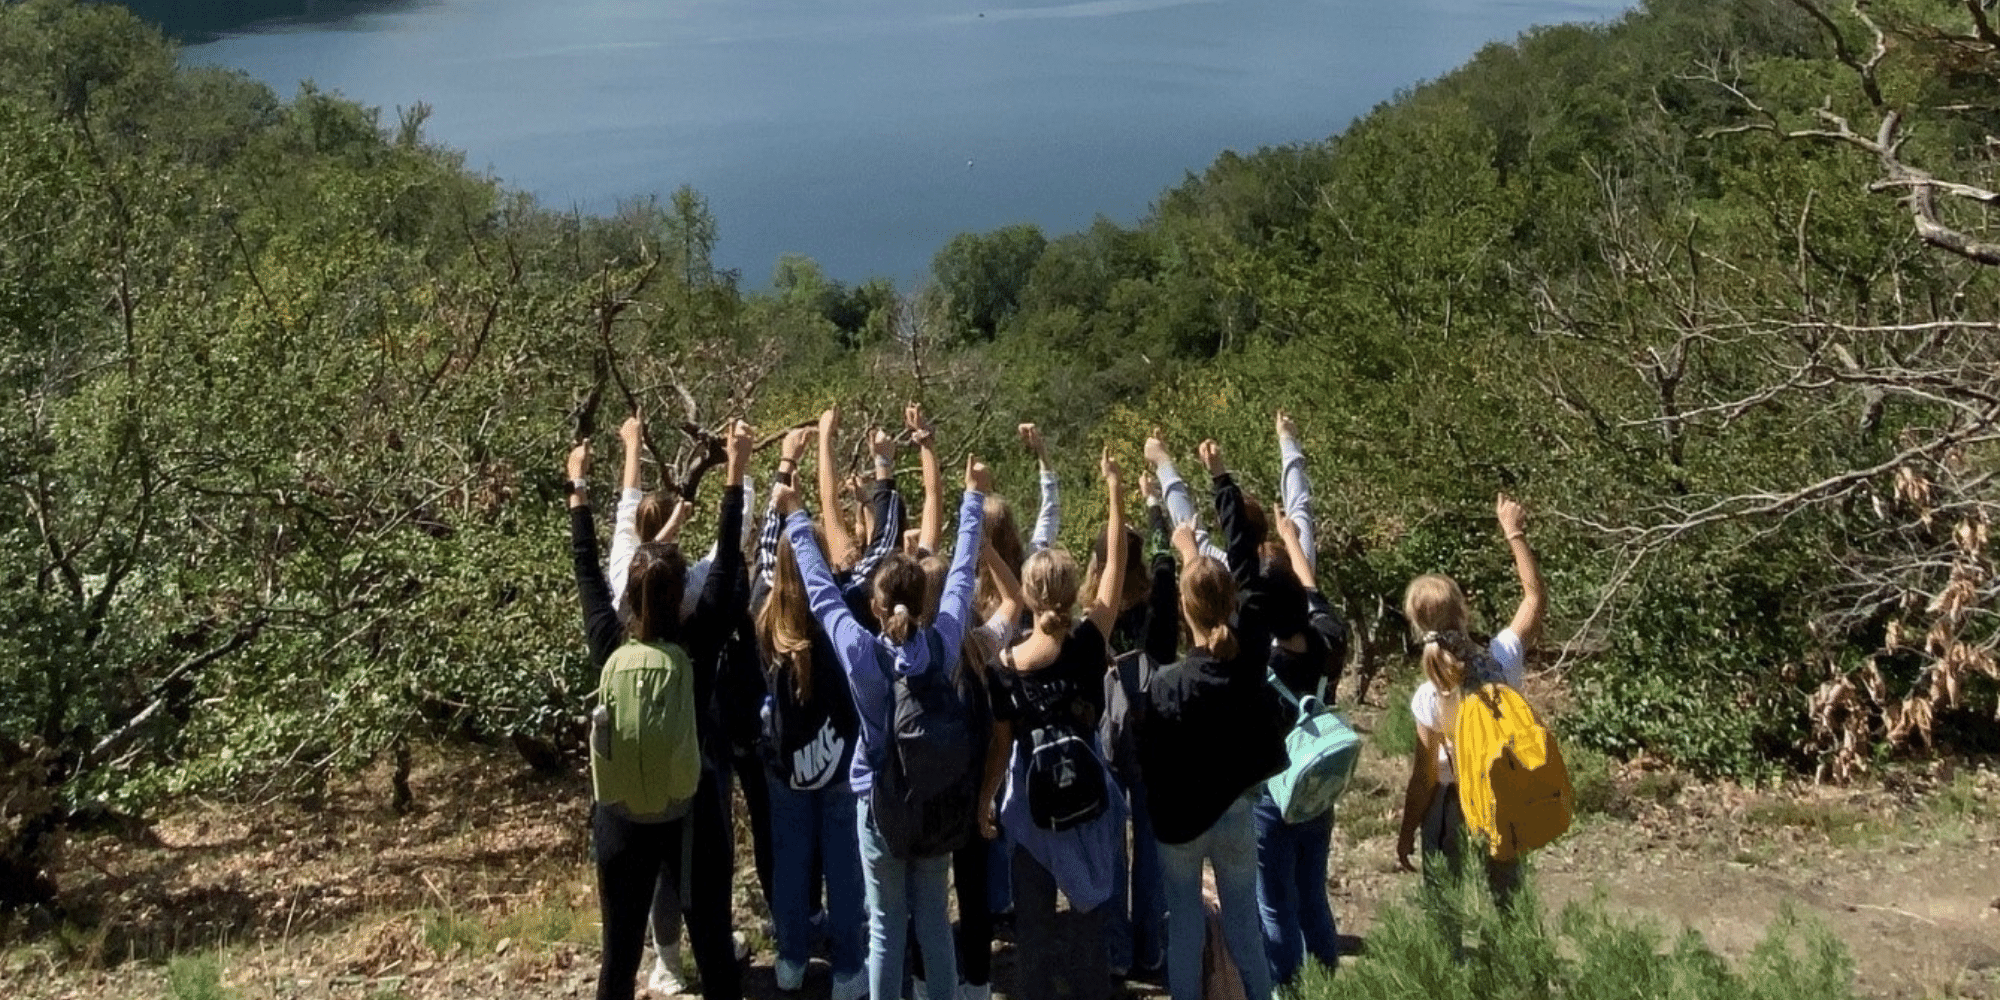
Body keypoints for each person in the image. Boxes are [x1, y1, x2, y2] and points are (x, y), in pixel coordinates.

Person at [772, 453, 988, 1000]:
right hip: (939, 802)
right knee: (936, 923)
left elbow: (820, 593)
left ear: (874, 604)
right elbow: (962, 574)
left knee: (887, 928)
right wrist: (973, 499)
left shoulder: (862, 656)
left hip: (880, 807)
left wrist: (797, 517)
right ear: (922, 602)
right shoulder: (941, 645)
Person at [568, 421, 755, 1000]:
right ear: (683, 591)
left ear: (629, 587)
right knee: (716, 950)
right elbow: (727, 558)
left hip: (620, 813)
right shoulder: (699, 638)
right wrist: (736, 469)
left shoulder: (608, 637)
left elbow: (586, 565)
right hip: (691, 809)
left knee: (617, 959)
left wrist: (578, 490)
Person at [1136, 439, 1288, 1000]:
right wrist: (1220, 476)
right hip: (1236, 811)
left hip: (1181, 824)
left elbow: (1156, 616)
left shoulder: (1167, 682)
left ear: (1183, 607)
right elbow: (1244, 556)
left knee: (1186, 926)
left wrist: (1158, 523)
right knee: (1244, 920)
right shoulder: (1249, 650)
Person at [982, 448, 1130, 1000]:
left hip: (1030, 804)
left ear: (1028, 594)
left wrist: (985, 800)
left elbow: (1000, 746)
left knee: (1035, 925)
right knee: (1090, 908)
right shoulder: (1091, 642)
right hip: (1089, 797)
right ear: (1072, 593)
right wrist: (1113, 490)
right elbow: (1113, 566)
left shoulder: (1008, 665)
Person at [754, 428, 867, 1000]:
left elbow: (760, 554)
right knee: (845, 871)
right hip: (841, 760)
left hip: (784, 766)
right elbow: (875, 547)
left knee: (791, 866)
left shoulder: (762, 613)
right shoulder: (838, 608)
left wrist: (783, 468)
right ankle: (849, 970)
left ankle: (791, 961)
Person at [1394, 493, 1546, 912]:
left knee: (1448, 913)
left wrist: (1408, 830)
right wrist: (1513, 532)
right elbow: (1533, 598)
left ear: (1416, 625)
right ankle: (1511, 973)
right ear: (1465, 611)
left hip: (1453, 804)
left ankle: (1457, 974)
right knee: (1508, 907)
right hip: (1505, 796)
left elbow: (1424, 779)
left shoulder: (1429, 696)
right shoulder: (1502, 658)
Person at [1253, 412, 1349, 985]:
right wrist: (1291, 540)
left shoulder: (1258, 662)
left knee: (1275, 902)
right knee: (1314, 893)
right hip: (1320, 781)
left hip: (1272, 792)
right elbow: (1310, 588)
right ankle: (1328, 982)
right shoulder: (1329, 637)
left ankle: (1287, 988)